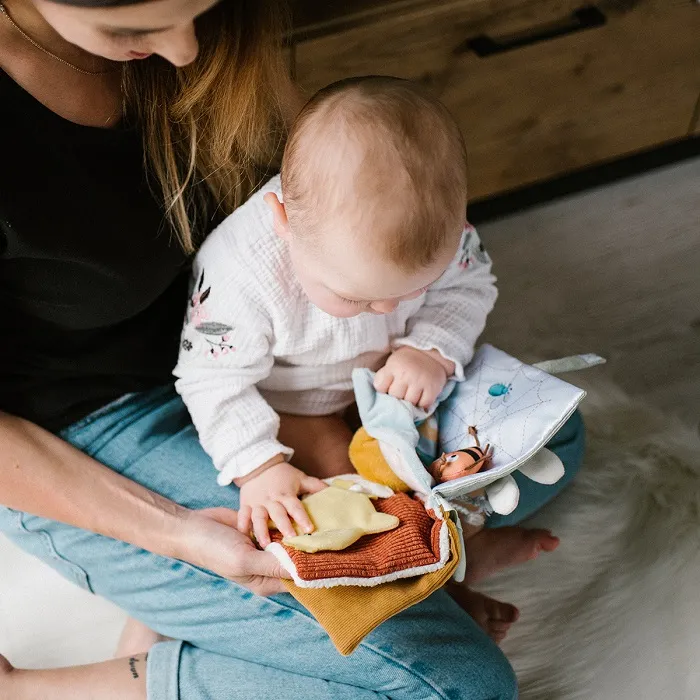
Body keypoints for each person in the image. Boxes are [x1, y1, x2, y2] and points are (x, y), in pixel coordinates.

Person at [0, 0, 585, 696]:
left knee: (548, 444)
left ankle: (421, 570)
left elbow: (341, 183)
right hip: (86, 424)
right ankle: (61, 687)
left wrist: (400, 349)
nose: (187, 52)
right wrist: (185, 532)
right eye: (132, 28)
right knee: (454, 686)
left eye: (201, 9)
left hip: (284, 368)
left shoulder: (211, 32)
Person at [173, 77, 558, 600]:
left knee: (501, 448)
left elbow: (469, 287)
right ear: (284, 222)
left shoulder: (442, 234)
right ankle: (444, 570)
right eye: (355, 297)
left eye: (414, 289)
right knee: (357, 487)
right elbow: (210, 380)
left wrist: (431, 348)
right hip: (296, 404)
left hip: (395, 386)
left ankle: (452, 550)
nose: (387, 309)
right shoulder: (241, 273)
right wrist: (260, 466)